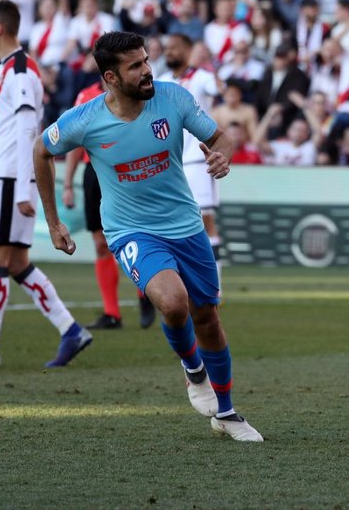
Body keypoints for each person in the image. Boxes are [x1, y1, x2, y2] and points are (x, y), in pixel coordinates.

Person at [34, 31, 262, 442]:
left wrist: (221, 156)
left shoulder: (172, 99)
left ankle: (226, 413)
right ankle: (194, 371)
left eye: (145, 60)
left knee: (207, 316)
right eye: (134, 66)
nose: (146, 70)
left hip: (186, 226)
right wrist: (53, 221)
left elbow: (220, 138)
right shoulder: (84, 119)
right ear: (110, 77)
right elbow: (41, 151)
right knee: (174, 304)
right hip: (130, 230)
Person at [0, 0, 92, 368]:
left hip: (12, 179)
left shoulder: (21, 71)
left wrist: (24, 187)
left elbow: (28, 131)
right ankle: (70, 330)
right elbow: (7, 133)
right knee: (17, 262)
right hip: (4, 175)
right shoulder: (8, 69)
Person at [63, 80, 158, 330]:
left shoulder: (134, 94)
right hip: (94, 172)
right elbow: (74, 141)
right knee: (100, 243)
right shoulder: (86, 94)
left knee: (136, 236)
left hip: (125, 169)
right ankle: (112, 314)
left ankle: (144, 294)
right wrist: (68, 184)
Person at [158, 33, 225, 282]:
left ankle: (215, 284)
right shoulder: (161, 80)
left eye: (174, 47)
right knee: (173, 221)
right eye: (167, 48)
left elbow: (215, 88)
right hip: (170, 162)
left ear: (187, 51)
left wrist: (219, 83)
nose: (168, 52)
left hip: (198, 159)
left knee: (205, 221)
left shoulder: (201, 77)